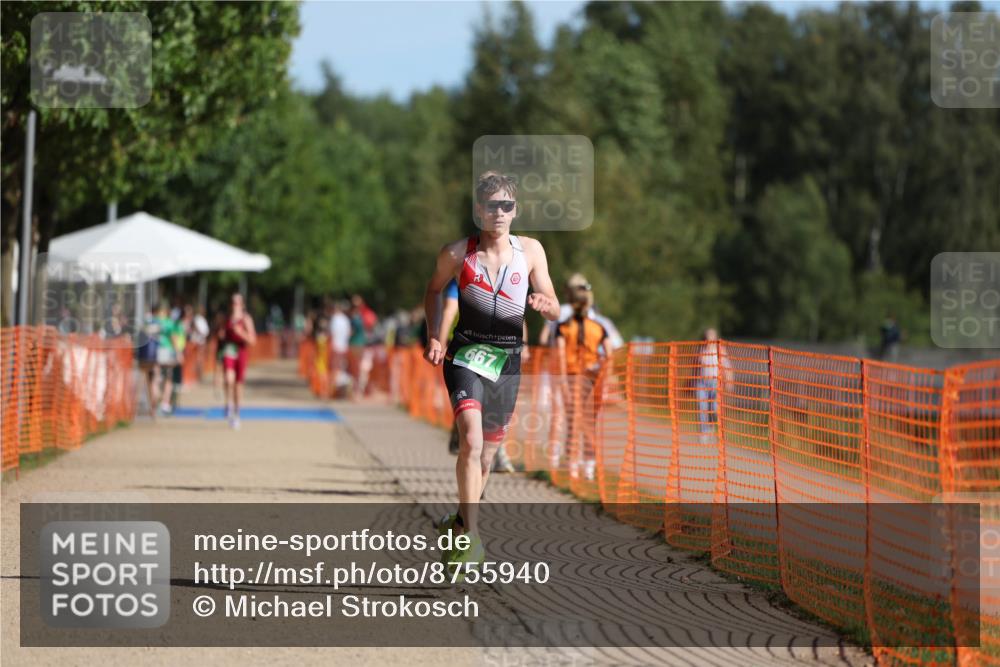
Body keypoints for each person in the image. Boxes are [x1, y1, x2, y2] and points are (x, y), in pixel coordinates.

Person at [423, 171, 560, 566]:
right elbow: (433, 290)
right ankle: (472, 537)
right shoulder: (457, 253)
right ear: (478, 209)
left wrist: (544, 305)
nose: (499, 213)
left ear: (515, 210)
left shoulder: (531, 251)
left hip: (508, 362)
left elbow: (554, 306)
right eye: (491, 205)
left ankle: (461, 522)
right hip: (466, 355)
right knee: (471, 440)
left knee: (486, 460)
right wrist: (436, 335)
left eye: (507, 205)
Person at [556, 285, 612, 481]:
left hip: (571, 378)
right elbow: (609, 356)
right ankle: (589, 467)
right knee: (590, 423)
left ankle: (571, 465)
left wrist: (562, 383)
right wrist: (605, 382)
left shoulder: (563, 327)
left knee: (572, 423)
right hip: (592, 380)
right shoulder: (599, 328)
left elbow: (561, 357)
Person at [539, 273, 624, 351]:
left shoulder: (556, 311)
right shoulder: (599, 320)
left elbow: (543, 340)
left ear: (569, 293)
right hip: (592, 365)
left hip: (560, 364)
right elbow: (618, 346)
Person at [222, 292, 257, 430]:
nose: (234, 305)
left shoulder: (246, 319)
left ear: (242, 305)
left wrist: (240, 333)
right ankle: (228, 404)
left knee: (238, 384)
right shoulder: (226, 318)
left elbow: (253, 340)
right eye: (232, 302)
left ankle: (237, 413)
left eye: (237, 302)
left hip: (241, 351)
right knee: (228, 379)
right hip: (229, 351)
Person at [695, 328, 733, 437]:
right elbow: (695, 367)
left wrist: (729, 381)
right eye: (707, 336)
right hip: (701, 382)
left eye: (711, 336)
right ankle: (704, 432)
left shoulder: (720, 350)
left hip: (715, 382)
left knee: (714, 408)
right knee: (702, 407)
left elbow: (727, 367)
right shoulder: (701, 350)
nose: (709, 339)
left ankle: (711, 425)